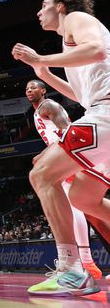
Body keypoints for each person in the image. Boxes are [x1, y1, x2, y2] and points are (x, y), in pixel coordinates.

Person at [12, 0, 109, 296]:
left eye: (44, 5)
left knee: (41, 175)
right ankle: (75, 269)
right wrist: (46, 74)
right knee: (83, 198)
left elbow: (96, 50)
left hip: (107, 113)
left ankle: (72, 269)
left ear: (62, 6)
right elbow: (81, 96)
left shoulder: (77, 20)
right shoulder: (69, 45)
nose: (39, 12)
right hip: (100, 109)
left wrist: (43, 56)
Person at [25, 79, 102, 279]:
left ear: (43, 90)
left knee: (77, 206)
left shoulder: (48, 105)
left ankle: (83, 260)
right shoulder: (38, 111)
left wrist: (47, 154)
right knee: (80, 206)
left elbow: (67, 131)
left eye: (33, 87)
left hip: (68, 153)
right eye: (26, 89)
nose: (29, 90)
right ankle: (85, 260)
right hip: (64, 153)